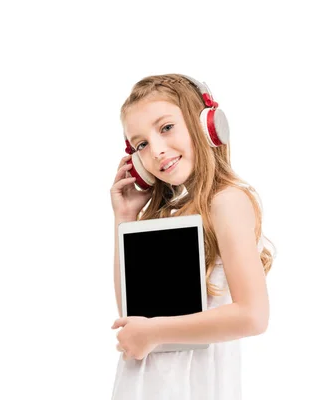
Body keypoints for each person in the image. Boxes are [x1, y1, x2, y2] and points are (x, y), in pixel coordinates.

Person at [109, 73, 275, 399]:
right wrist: (124, 218)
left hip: (193, 386)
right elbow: (131, 318)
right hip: (144, 385)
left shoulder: (227, 201)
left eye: (166, 127)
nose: (155, 150)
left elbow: (253, 316)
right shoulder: (166, 215)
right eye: (141, 144)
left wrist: (154, 332)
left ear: (205, 125)